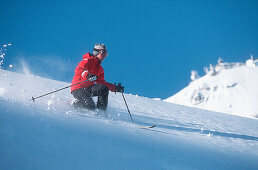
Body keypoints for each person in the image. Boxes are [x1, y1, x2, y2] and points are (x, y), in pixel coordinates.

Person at [71, 44, 124, 111]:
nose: (104, 56)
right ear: (97, 52)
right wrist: (87, 75)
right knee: (90, 106)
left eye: (106, 54)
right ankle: (74, 103)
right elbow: (79, 69)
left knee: (104, 88)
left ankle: (101, 112)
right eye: (103, 53)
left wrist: (115, 88)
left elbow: (102, 83)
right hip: (78, 88)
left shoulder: (100, 69)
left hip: (88, 88)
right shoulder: (88, 60)